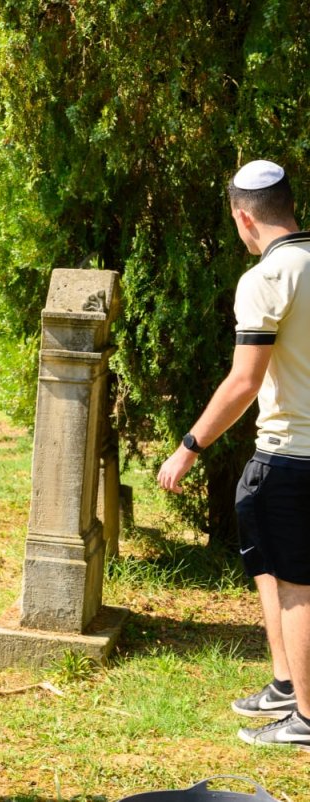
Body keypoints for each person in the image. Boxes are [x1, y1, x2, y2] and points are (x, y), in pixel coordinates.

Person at [157, 159, 310, 752]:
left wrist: (189, 447)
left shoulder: (267, 277)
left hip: (290, 455)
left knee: (296, 584)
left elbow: (244, 382)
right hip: (290, 457)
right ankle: (284, 684)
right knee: (272, 568)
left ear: (243, 218)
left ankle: (304, 719)